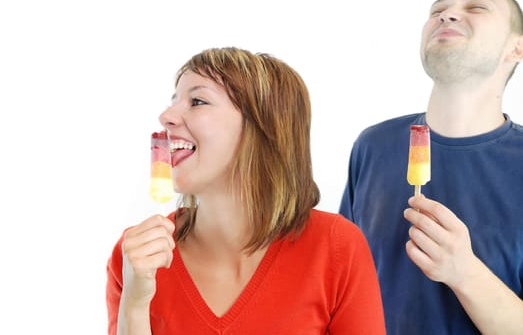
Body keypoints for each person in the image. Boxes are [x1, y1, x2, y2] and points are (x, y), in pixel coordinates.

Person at [107, 47, 386, 334]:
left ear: (263, 127)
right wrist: (135, 303)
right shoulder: (133, 256)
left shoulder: (336, 247)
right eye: (174, 100)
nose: (166, 116)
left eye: (198, 101)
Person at [339, 0, 523, 334]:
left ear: (517, 47)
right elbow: (341, 286)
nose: (447, 14)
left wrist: (464, 272)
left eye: (477, 7)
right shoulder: (372, 146)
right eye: (437, 9)